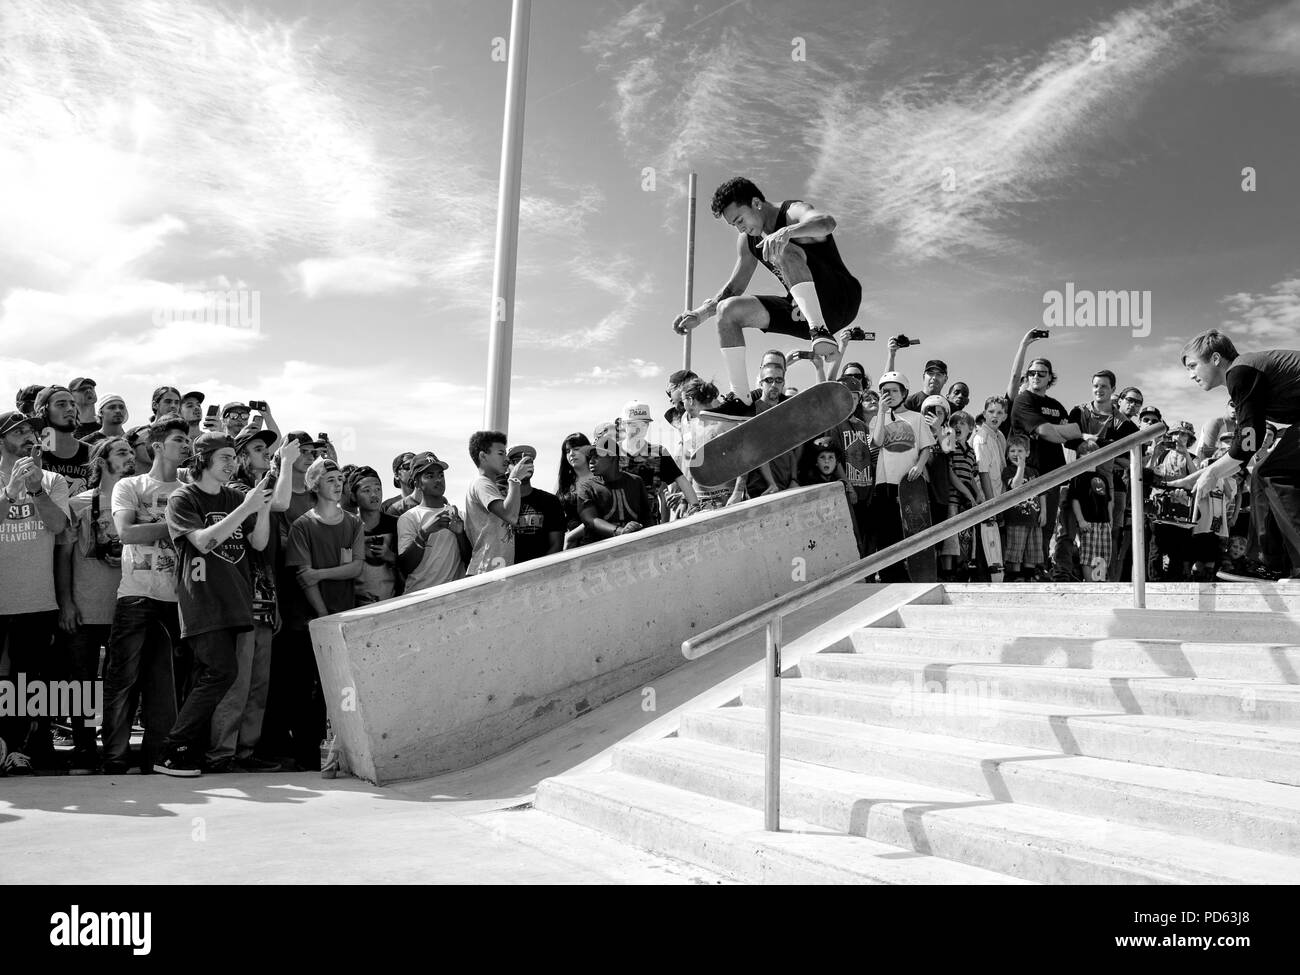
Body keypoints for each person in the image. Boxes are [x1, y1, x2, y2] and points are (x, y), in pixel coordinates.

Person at [672, 176, 862, 398]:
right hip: (801, 309)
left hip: (840, 298)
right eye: (734, 225)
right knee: (728, 310)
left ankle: (820, 331)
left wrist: (789, 232)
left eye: (740, 220)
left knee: (779, 246)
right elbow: (734, 288)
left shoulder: (792, 212)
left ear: (756, 203)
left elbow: (827, 223)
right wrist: (701, 314)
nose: (740, 228)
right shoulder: (747, 240)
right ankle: (741, 398)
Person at [152, 433, 273, 776]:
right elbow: (203, 542)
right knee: (222, 672)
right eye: (224, 457)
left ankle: (187, 749)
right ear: (203, 459)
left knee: (210, 675)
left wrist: (260, 508)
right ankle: (172, 748)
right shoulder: (183, 497)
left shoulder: (235, 495)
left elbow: (259, 543)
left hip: (235, 600)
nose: (231, 463)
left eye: (233, 457)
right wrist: (247, 507)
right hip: (202, 600)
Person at [102, 414, 191, 773]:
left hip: (179, 600)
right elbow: (125, 533)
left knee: (166, 687)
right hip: (136, 595)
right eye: (178, 441)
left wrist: (150, 527)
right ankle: (113, 760)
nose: (186, 446)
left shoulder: (191, 486)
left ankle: (156, 759)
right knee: (123, 681)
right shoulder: (131, 485)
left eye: (188, 440)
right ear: (157, 446)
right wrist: (178, 526)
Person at [1173, 331, 1300, 580]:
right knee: (1261, 477)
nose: (1191, 376)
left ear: (1216, 358)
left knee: (1272, 473)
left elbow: (1245, 445)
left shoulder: (1241, 373)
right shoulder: (1246, 375)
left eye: (1193, 366)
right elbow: (1247, 446)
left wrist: (1210, 472)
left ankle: (1275, 562)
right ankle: (1269, 564)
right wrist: (1198, 476)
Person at [210, 428, 297, 773]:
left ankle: (246, 751)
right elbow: (281, 502)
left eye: (267, 448)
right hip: (238, 598)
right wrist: (287, 464)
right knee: (238, 682)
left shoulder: (261, 483)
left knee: (258, 685)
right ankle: (222, 752)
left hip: (263, 596)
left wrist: (273, 600)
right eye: (258, 448)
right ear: (242, 456)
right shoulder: (238, 489)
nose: (267, 453)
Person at [54, 436, 135, 773]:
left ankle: (116, 752)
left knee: (122, 684)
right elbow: (63, 558)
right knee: (80, 684)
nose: (130, 457)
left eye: (131, 451)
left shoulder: (137, 503)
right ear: (101, 461)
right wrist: (66, 603)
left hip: (126, 608)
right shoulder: (78, 504)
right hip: (85, 608)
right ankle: (83, 750)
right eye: (121, 452)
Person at [0, 410, 71, 774]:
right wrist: (10, 491)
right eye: (19, 431)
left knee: (28, 686)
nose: (29, 435)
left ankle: (21, 752)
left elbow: (58, 526)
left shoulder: (53, 480)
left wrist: (35, 489)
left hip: (36, 600)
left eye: (31, 430)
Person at [282, 458, 363, 770]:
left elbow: (356, 567)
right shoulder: (302, 525)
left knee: (341, 691)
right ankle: (306, 755)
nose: (338, 483)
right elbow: (304, 577)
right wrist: (322, 616)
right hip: (311, 622)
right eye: (330, 478)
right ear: (314, 485)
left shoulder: (354, 523)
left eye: (340, 477)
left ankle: (342, 754)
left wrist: (322, 574)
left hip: (343, 621)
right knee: (307, 690)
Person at [1010, 356, 1092, 572]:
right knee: (1026, 525)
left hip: (1053, 474)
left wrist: (1069, 434)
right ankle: (1020, 573)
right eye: (1032, 373)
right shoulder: (1023, 400)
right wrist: (1064, 431)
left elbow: (1075, 439)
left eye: (1041, 373)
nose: (1036, 376)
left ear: (1050, 378)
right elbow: (1046, 432)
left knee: (1046, 527)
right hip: (1029, 473)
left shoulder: (1056, 406)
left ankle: (1040, 568)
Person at [869, 371, 933, 582]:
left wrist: (919, 466)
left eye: (895, 391)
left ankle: (912, 575)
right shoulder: (877, 419)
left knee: (910, 530)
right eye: (885, 391)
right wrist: (880, 411)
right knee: (886, 534)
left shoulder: (917, 418)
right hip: (884, 483)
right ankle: (889, 577)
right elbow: (877, 442)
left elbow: (926, 448)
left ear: (904, 393)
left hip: (908, 484)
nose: (890, 395)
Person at [396, 450, 469, 592]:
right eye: (430, 476)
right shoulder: (409, 518)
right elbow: (405, 566)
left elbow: (469, 560)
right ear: (417, 482)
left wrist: (460, 534)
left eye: (441, 475)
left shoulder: (458, 515)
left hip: (453, 596)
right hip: (421, 598)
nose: (438, 480)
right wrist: (424, 533)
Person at [464, 430, 529, 575]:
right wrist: (514, 479)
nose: (506, 459)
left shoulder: (490, 486)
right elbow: (511, 516)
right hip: (486, 570)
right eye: (501, 453)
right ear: (483, 456)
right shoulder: (481, 483)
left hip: (494, 569)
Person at [576, 424, 651, 541]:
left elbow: (646, 517)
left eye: (597, 456)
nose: (591, 461)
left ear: (612, 457)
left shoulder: (636, 481)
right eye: (591, 456)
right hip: (599, 552)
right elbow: (590, 520)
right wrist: (620, 531)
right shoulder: (587, 487)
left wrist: (639, 530)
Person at [504, 444, 565, 564]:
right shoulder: (499, 503)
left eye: (528, 461)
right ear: (507, 467)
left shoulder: (550, 501)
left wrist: (538, 573)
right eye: (517, 461)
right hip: (506, 575)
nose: (524, 465)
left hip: (540, 575)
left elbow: (556, 545)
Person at [348, 466, 401, 601]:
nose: (374, 495)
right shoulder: (347, 527)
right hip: (357, 608)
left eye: (378, 489)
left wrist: (390, 556)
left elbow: (410, 566)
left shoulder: (396, 524)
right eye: (366, 490)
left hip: (394, 602)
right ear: (353, 496)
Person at [1002, 434, 1045, 581]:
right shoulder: (1008, 471)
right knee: (1015, 551)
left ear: (1027, 453)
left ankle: (1029, 577)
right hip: (1016, 519)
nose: (1016, 454)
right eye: (1012, 451)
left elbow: (1042, 493)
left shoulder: (1034, 472)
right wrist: (1020, 467)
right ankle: (1015, 577)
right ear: (1007, 454)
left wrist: (1044, 512)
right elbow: (1015, 485)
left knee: (1032, 552)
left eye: (1020, 451)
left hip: (1034, 518)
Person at [34, 385, 92, 495]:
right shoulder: (34, 455)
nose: (70, 409)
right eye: (61, 405)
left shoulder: (92, 453)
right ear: (45, 411)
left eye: (73, 404)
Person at [1070, 456, 1113, 581]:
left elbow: (1108, 501)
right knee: (1088, 557)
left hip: (1104, 523)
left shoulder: (1102, 477)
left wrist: (1110, 519)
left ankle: (1099, 581)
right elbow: (1075, 500)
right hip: (1088, 523)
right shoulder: (1077, 478)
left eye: (1093, 455)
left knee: (1102, 555)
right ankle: (1090, 583)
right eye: (1085, 456)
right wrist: (1081, 520)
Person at [556, 433, 596, 547]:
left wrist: (571, 536)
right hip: (570, 546)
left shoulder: (600, 478)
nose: (571, 454)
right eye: (567, 451)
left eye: (576, 449)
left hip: (598, 542)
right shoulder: (563, 483)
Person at [382, 452, 416, 516]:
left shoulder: (433, 502)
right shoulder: (387, 507)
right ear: (396, 475)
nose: (413, 470)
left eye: (416, 467)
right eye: (407, 466)